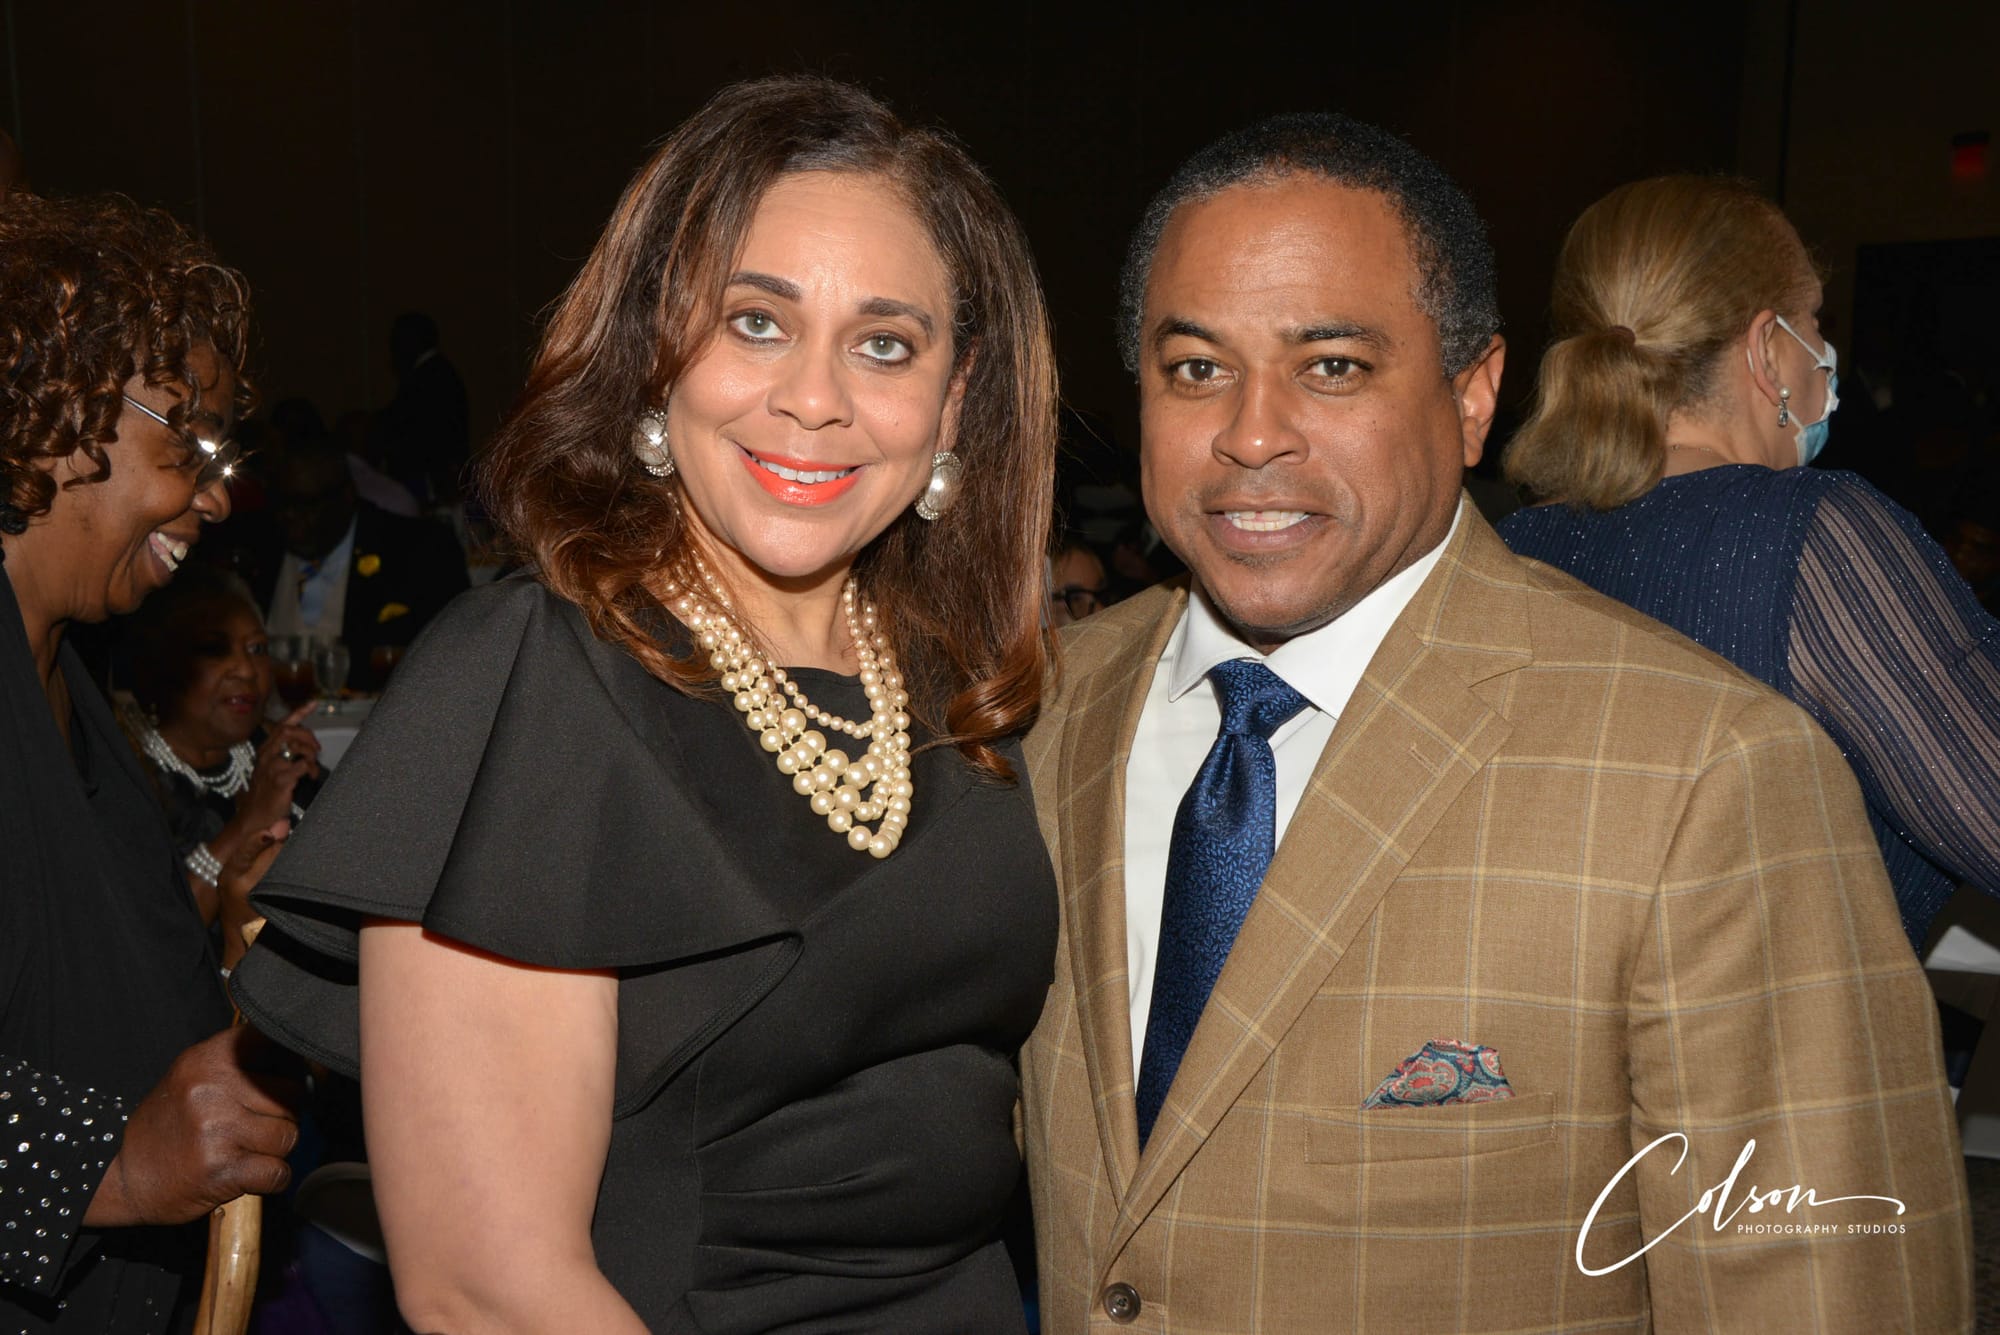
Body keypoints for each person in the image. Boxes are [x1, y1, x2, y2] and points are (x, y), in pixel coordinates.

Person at [1018, 115, 1969, 1332]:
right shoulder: (1044, 713)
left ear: (1471, 397)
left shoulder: (1706, 770)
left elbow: (1823, 1296)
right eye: (1196, 369)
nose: (1250, 434)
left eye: (1332, 367)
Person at [232, 76, 1059, 1333]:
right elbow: (488, 1290)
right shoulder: (532, 681)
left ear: (954, 399)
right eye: (755, 323)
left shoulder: (963, 686)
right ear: (650, 355)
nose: (815, 398)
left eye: (884, 343)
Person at [1499, 176, 2000, 950]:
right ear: (1768, 350)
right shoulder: (1808, 534)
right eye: (1814, 321)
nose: (1824, 353)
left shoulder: (1513, 547)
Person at [0, 192, 300, 1333]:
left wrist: (235, 942)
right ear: (54, 413)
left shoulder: (74, 680)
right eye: (188, 445)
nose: (213, 497)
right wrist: (111, 1166)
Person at [120, 565, 323, 953]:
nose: (245, 669)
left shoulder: (278, 754)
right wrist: (249, 821)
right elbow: (152, 941)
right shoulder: (128, 777)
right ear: (159, 664)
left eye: (257, 649)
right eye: (215, 649)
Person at [250, 431, 469, 692]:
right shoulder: (256, 549)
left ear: (347, 496)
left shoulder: (418, 551)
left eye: (305, 505)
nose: (289, 517)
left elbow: (453, 659)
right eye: (281, 503)